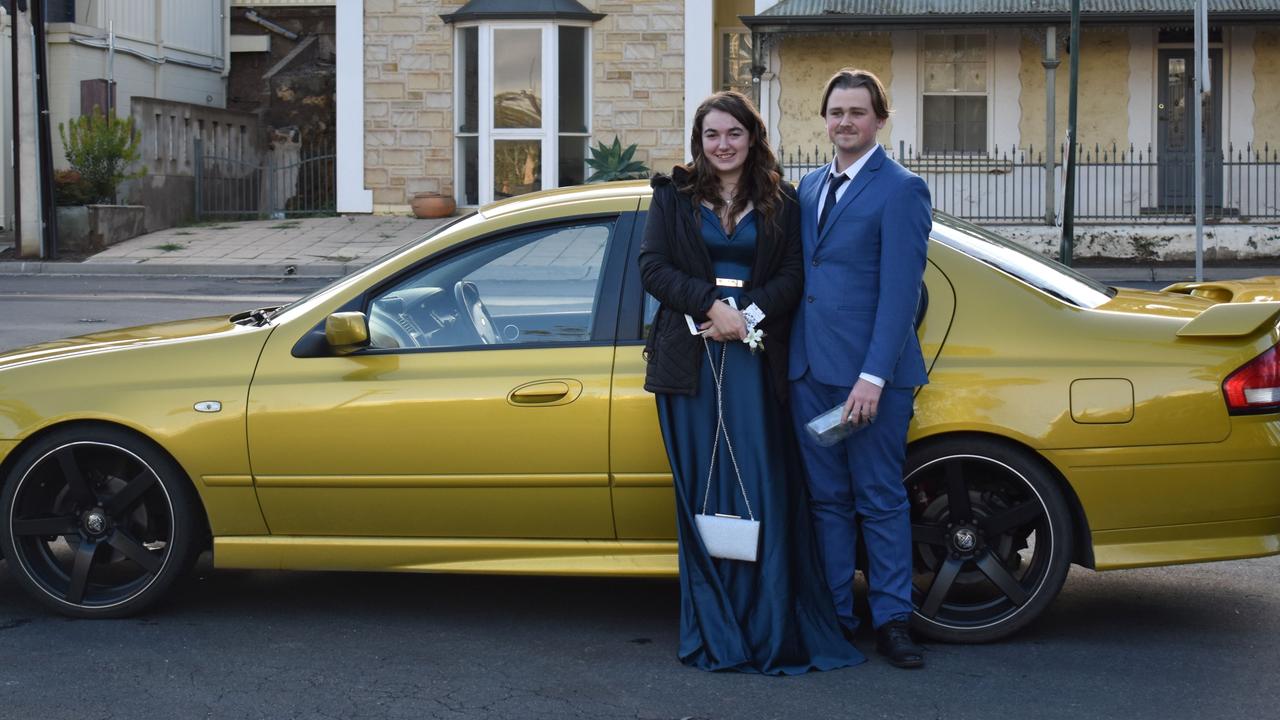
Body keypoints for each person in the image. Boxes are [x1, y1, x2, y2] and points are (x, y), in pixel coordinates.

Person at [639, 91, 863, 674]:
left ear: (751, 136)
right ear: (699, 140)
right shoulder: (673, 197)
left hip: (757, 360)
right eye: (712, 135)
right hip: (688, 362)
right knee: (702, 493)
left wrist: (748, 318)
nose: (722, 145)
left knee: (758, 485)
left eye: (733, 133)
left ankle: (764, 624)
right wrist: (711, 309)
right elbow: (654, 268)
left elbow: (794, 274)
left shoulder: (781, 200)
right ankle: (716, 625)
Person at [788, 69, 932, 669]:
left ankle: (893, 620)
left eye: (856, 111)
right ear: (825, 119)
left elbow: (902, 294)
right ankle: (837, 618)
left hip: (870, 379)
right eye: (835, 112)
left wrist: (873, 376)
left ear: (879, 120)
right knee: (826, 499)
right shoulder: (807, 186)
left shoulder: (901, 189)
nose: (844, 122)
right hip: (810, 369)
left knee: (878, 497)